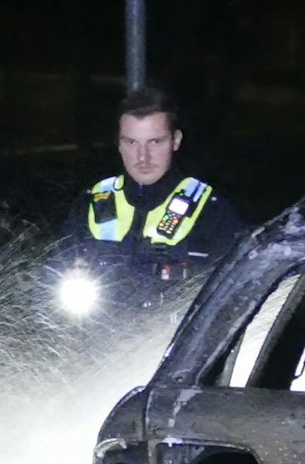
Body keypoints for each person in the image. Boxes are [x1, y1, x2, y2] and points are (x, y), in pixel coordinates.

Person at [56, 86, 245, 316]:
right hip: (94, 344)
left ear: (175, 141)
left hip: (174, 345)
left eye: (155, 142)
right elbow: (51, 279)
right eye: (131, 142)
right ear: (118, 143)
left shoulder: (211, 210)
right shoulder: (93, 202)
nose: (143, 157)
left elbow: (239, 292)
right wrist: (68, 276)